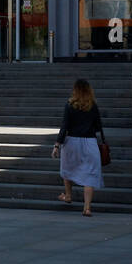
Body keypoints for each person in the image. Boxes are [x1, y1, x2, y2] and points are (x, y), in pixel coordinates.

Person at [52, 78, 105, 215]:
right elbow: (98, 126)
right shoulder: (93, 105)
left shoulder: (70, 105)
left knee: (67, 167)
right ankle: (87, 207)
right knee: (90, 174)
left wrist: (57, 145)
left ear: (75, 90)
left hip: (72, 141)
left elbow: (64, 126)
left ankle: (68, 195)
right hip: (90, 141)